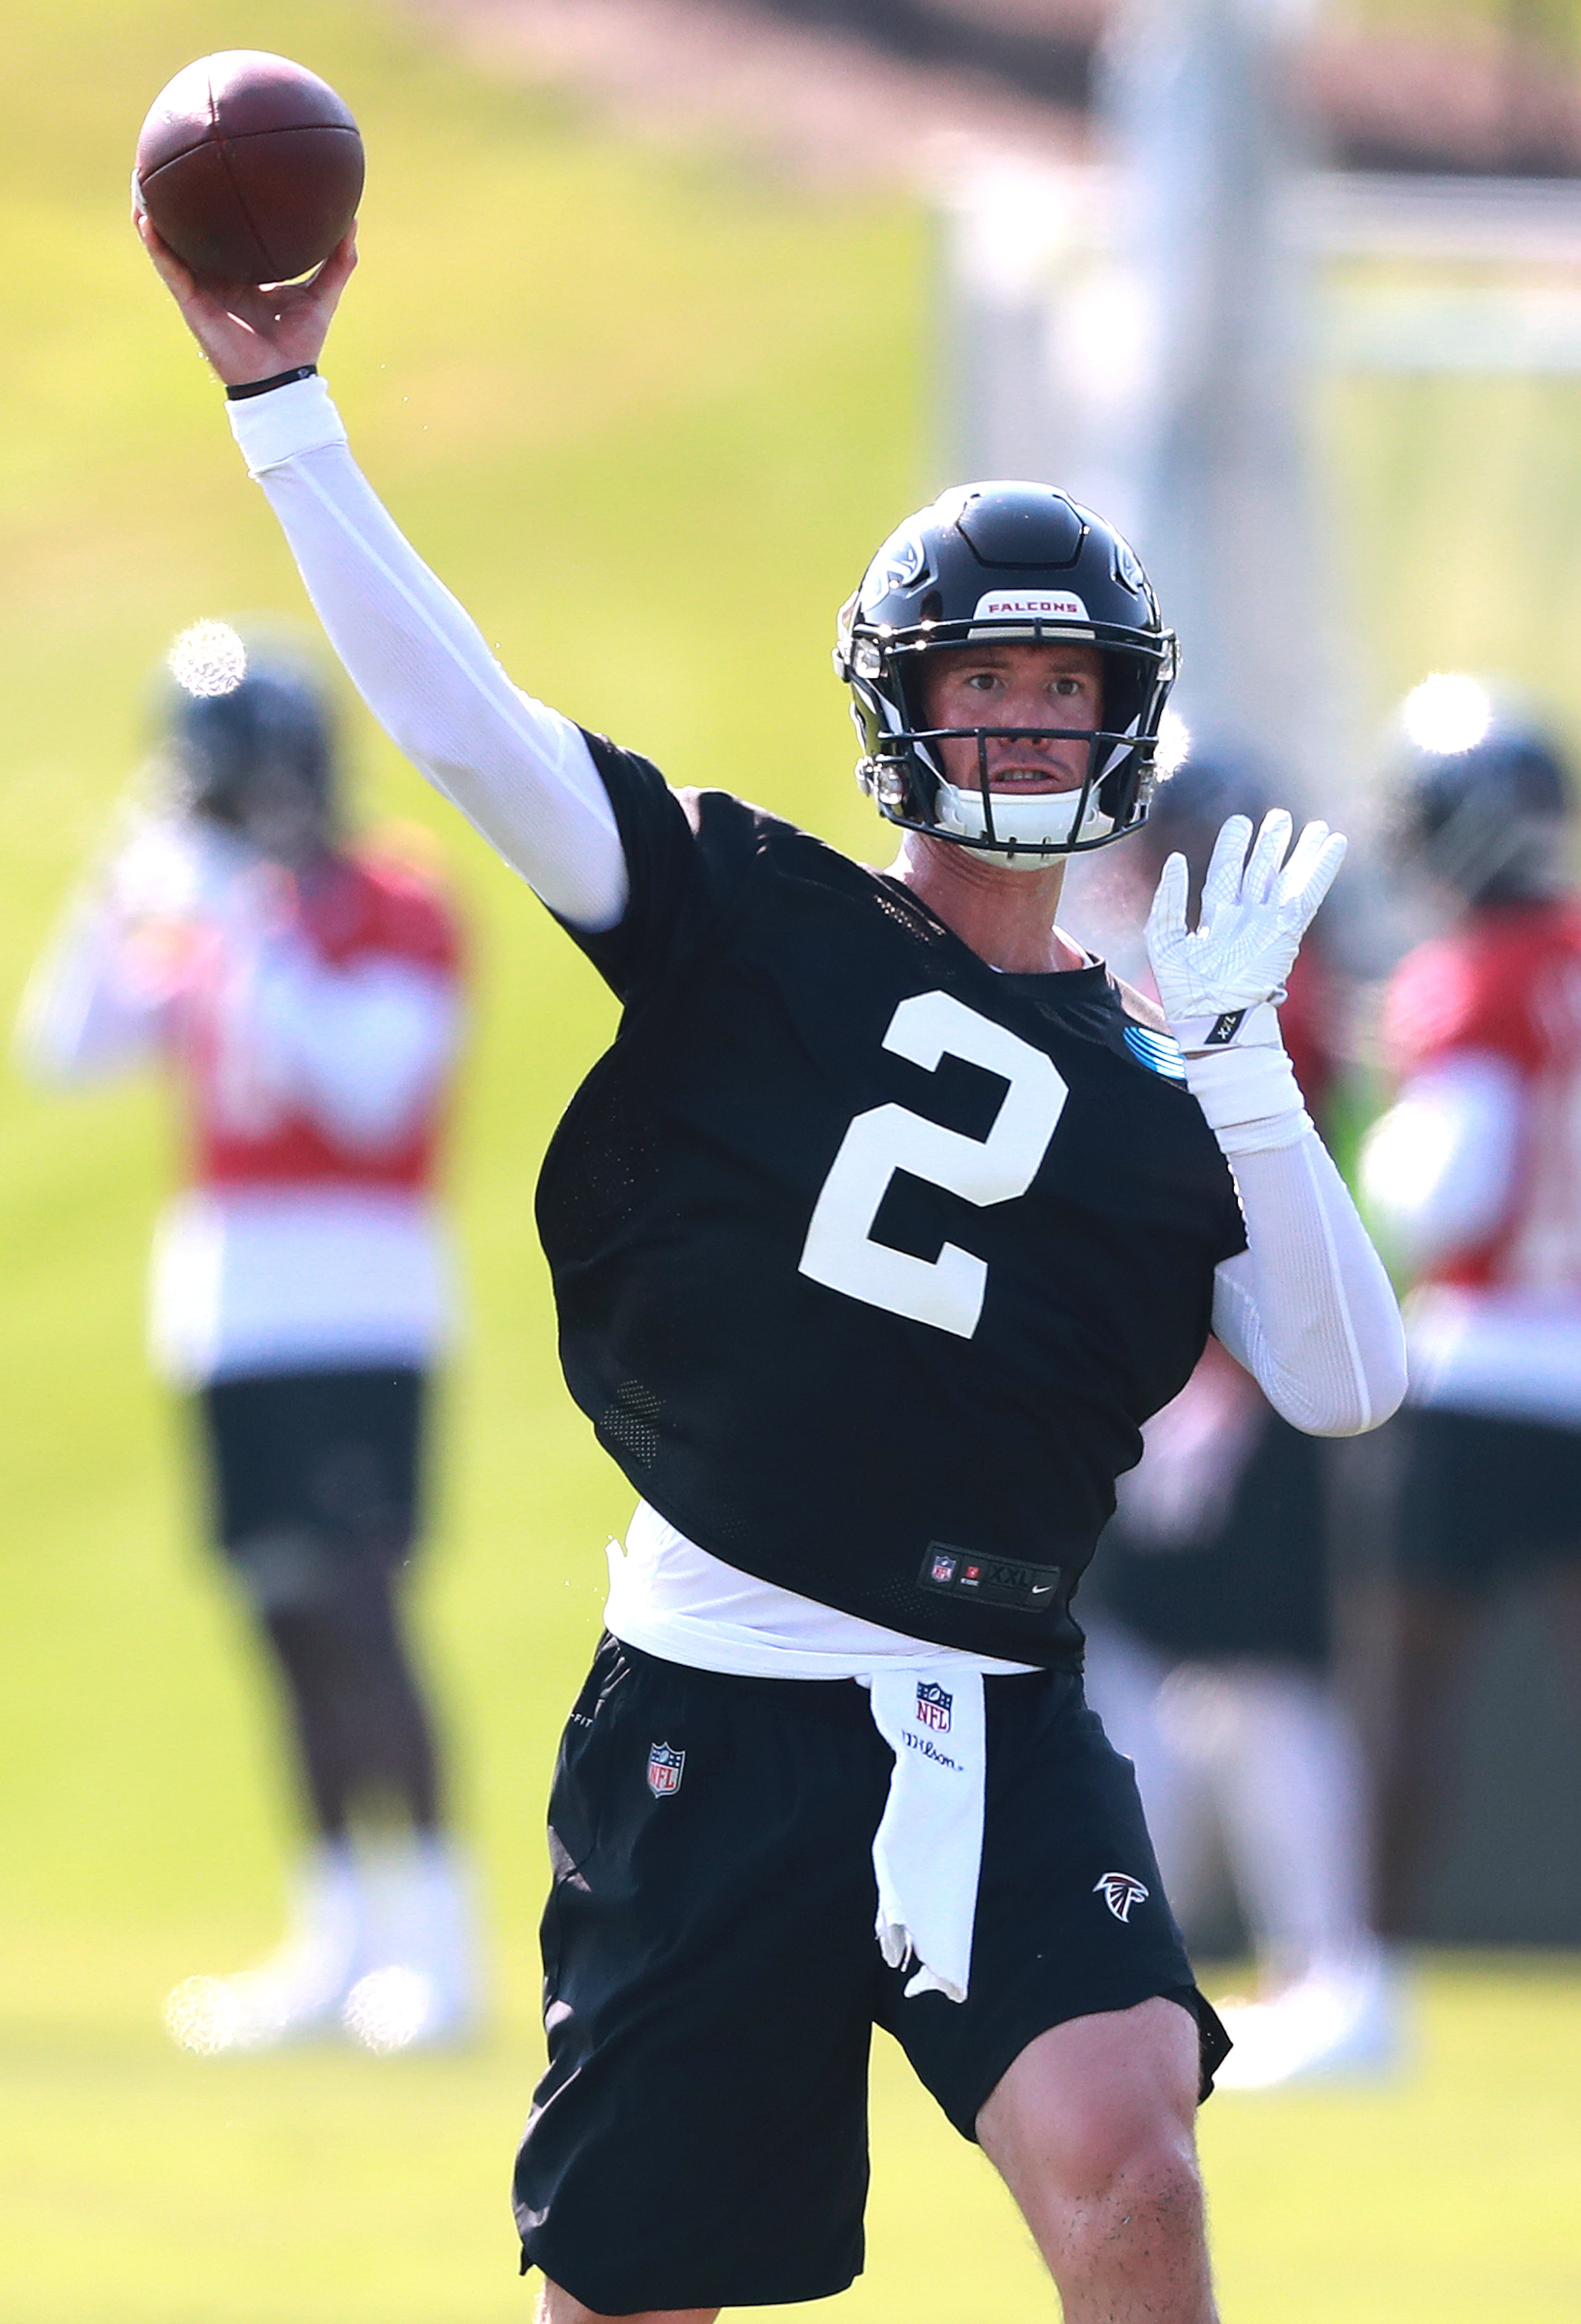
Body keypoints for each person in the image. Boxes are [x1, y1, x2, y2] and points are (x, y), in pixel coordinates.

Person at [136, 215, 1405, 2324]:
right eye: (980, 682)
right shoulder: (752, 923)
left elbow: (1346, 1384)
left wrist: (1246, 1078)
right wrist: (291, 418)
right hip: (715, 1700)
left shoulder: (1159, 1054)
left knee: (1134, 2161)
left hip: (992, 1707)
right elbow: (473, 737)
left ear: (1127, 716)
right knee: (636, 2297)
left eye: (1058, 685)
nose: (1017, 723)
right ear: (902, 708)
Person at [19, 622, 476, 2054]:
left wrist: (256, 930)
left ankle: (440, 1941)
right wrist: (127, 878)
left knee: (361, 1602)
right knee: (280, 1618)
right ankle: (340, 1934)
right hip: (229, 1302)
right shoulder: (198, 906)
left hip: (359, 1292)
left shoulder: (392, 900)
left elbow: (370, 1088)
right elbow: (65, 1041)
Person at [1070, 760, 1394, 2088]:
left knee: (1258, 1679)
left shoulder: (1259, 997)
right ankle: (1144, 1947)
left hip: (1254, 1375)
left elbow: (1260, 1202)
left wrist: (1221, 1388)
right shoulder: (1188, 977)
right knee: (1143, 1676)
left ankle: (1335, 1961)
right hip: (1191, 1379)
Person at [1358, 675, 1581, 1941]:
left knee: (1410, 1693)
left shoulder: (1469, 980)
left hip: (1483, 1360)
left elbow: (1443, 1195)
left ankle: (1371, 1971)